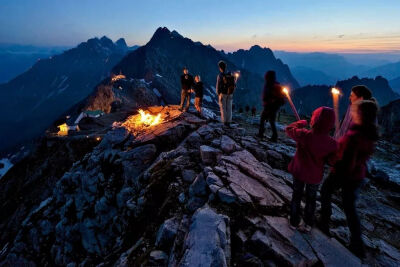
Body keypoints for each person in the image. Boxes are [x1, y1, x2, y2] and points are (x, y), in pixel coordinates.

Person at [320, 100, 379, 259]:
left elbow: (346, 160)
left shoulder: (355, 136)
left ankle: (324, 223)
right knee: (350, 208)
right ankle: (357, 244)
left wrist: (330, 161)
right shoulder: (370, 132)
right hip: (358, 175)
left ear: (361, 114)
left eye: (355, 111)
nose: (352, 113)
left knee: (325, 191)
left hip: (344, 173)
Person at [286, 107, 338, 231]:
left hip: (299, 172)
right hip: (314, 176)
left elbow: (288, 129)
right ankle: (308, 223)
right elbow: (332, 161)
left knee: (296, 196)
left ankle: (293, 221)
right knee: (311, 199)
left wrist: (300, 123)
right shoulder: (332, 144)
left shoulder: (304, 134)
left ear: (314, 119)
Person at [257, 71, 285, 142]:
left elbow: (267, 95)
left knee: (264, 119)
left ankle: (263, 134)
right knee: (271, 121)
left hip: (269, 106)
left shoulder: (270, 84)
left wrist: (267, 101)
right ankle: (273, 136)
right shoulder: (276, 84)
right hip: (274, 106)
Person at [216, 60, 236, 126]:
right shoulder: (229, 73)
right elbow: (234, 83)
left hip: (223, 93)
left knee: (223, 108)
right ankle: (229, 121)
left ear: (220, 68)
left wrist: (218, 93)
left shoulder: (220, 75)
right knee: (229, 108)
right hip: (230, 93)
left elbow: (218, 85)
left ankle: (224, 122)